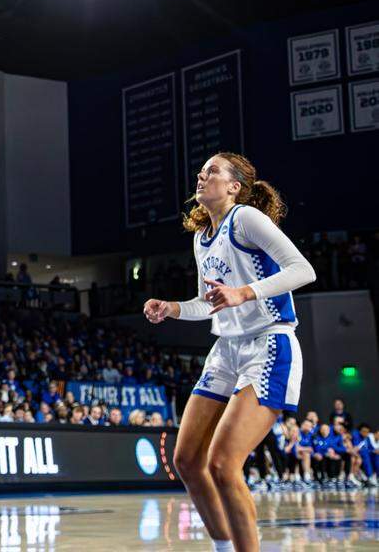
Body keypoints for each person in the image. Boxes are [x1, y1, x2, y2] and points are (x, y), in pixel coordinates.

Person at [144, 153, 315, 552]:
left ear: (235, 186)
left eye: (213, 172)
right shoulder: (202, 237)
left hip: (269, 343)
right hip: (226, 349)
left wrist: (245, 292)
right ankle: (223, 547)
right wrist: (173, 308)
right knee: (187, 461)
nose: (202, 177)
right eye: (201, 172)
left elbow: (303, 269)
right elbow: (212, 303)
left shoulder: (246, 219)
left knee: (222, 464)